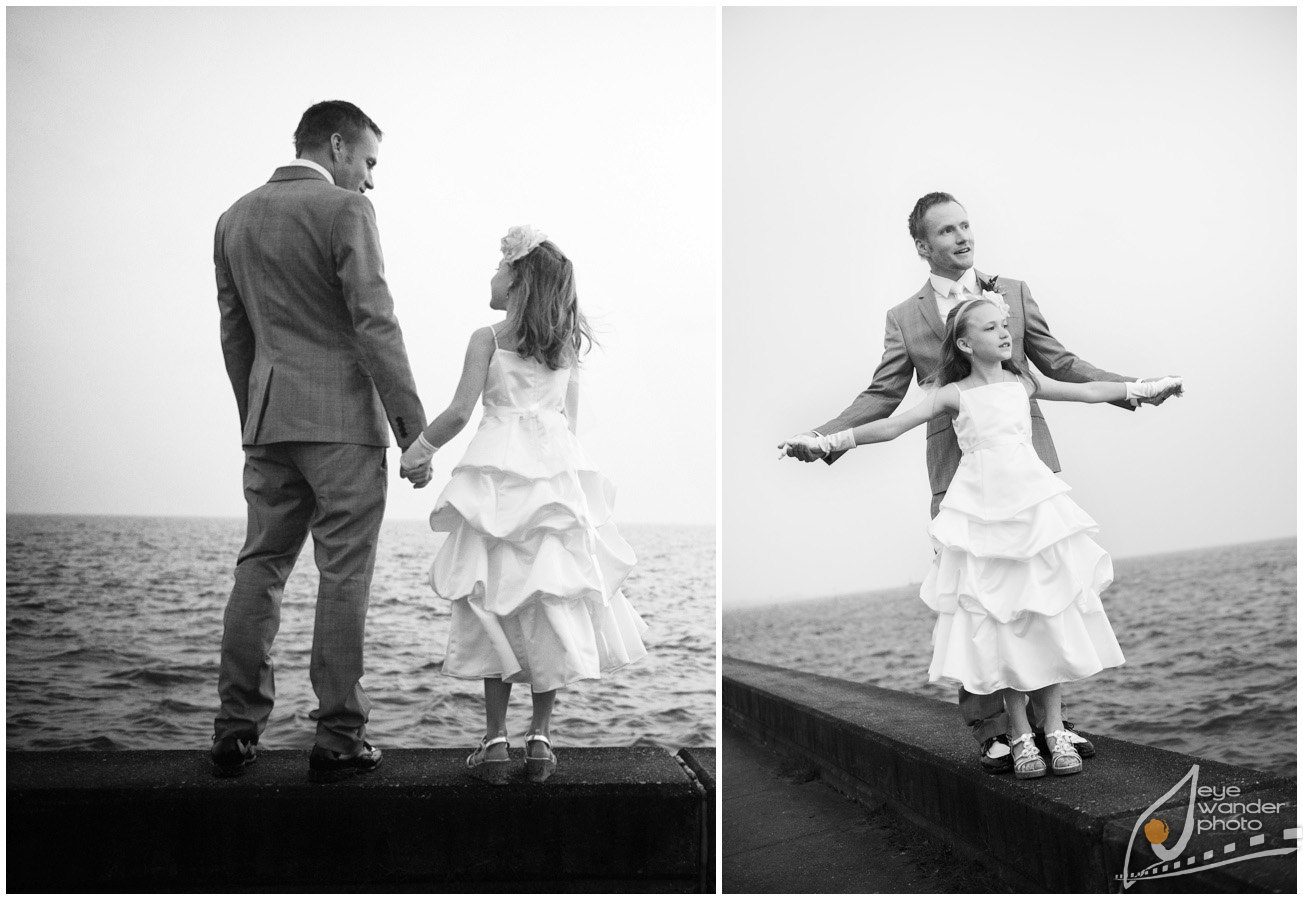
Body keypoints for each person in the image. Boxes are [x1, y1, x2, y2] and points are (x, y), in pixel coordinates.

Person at [781, 192, 1182, 773]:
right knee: (978, 597)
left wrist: (1137, 386)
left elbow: (1061, 366)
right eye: (946, 230)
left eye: (966, 225)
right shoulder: (905, 316)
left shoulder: (1012, 292)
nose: (962, 236)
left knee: (1038, 595)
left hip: (1029, 472)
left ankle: (1053, 725)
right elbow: (885, 397)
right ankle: (998, 731)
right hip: (961, 475)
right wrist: (824, 437)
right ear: (923, 246)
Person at [211, 100, 429, 783]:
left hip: (269, 419)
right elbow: (375, 322)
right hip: (342, 426)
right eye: (367, 162)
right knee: (343, 576)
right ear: (337, 147)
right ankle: (338, 739)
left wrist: (256, 416)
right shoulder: (345, 211)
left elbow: (234, 331)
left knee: (260, 568)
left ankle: (236, 730)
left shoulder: (233, 217)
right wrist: (412, 428)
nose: (370, 180)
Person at [401, 226, 647, 783]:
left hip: (496, 482)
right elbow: (570, 427)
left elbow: (460, 412)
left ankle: (493, 740)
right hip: (553, 482)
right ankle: (540, 739)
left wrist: (419, 452)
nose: (491, 275)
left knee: (493, 598)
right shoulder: (564, 351)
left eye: (498, 266)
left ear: (516, 279)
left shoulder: (487, 337)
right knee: (548, 601)